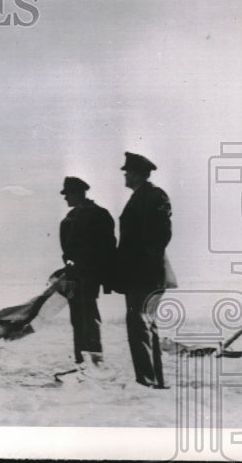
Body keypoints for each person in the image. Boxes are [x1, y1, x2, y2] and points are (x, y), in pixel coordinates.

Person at [116, 152, 178, 389]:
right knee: (145, 325)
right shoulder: (141, 196)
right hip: (140, 273)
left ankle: (147, 381)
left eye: (128, 172)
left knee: (139, 323)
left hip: (146, 274)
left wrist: (142, 261)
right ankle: (153, 380)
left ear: (137, 174)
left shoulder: (154, 195)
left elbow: (162, 234)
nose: (125, 175)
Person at [58, 176, 116, 369]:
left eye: (68, 194)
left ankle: (95, 363)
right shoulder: (68, 220)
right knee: (78, 319)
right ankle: (81, 362)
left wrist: (96, 271)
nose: (65, 198)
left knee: (89, 317)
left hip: (90, 275)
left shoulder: (99, 215)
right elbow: (66, 251)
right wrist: (69, 264)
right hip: (74, 278)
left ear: (78, 193)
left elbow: (108, 247)